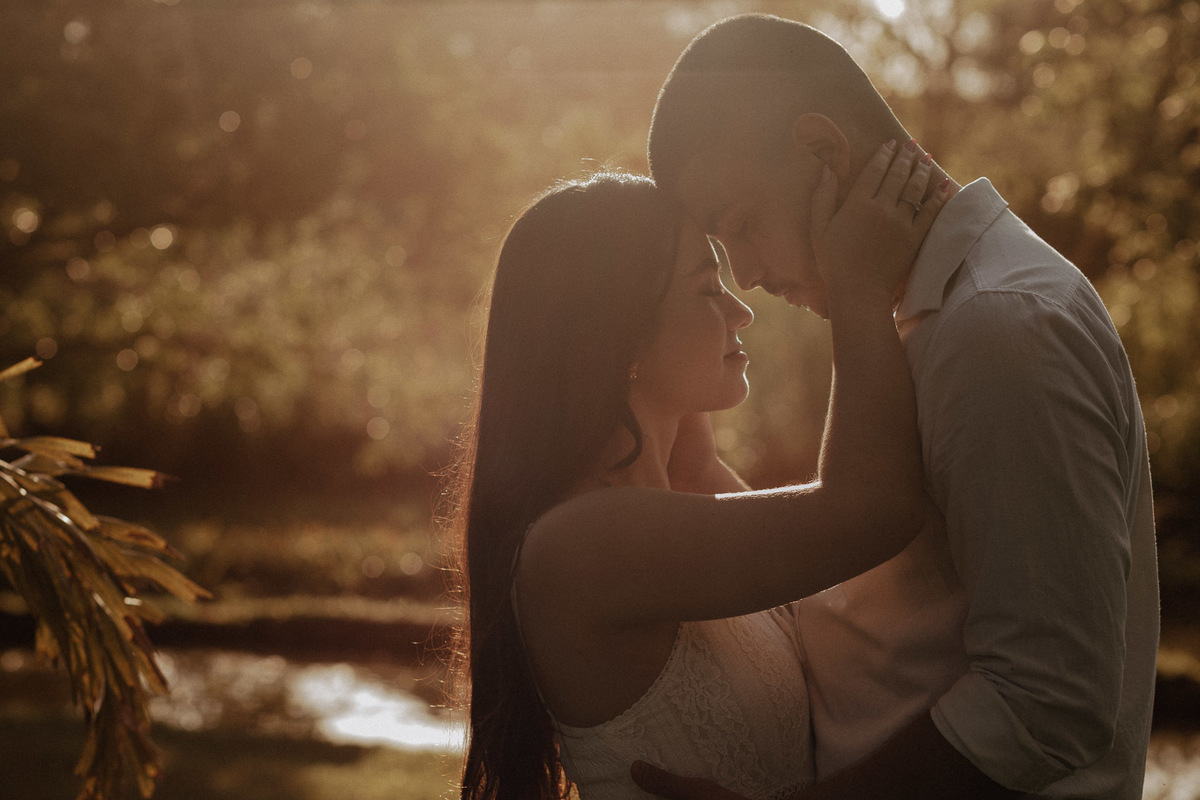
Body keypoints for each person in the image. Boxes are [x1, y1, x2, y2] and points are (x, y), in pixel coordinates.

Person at [633, 13, 1159, 800]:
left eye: (739, 224)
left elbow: (1044, 707)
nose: (743, 274)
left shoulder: (999, 327)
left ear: (822, 153)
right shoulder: (909, 313)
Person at [450, 149, 949, 800]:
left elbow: (696, 464)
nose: (742, 312)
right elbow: (871, 509)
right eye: (708, 289)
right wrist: (857, 284)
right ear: (619, 340)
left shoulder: (676, 493)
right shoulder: (584, 545)